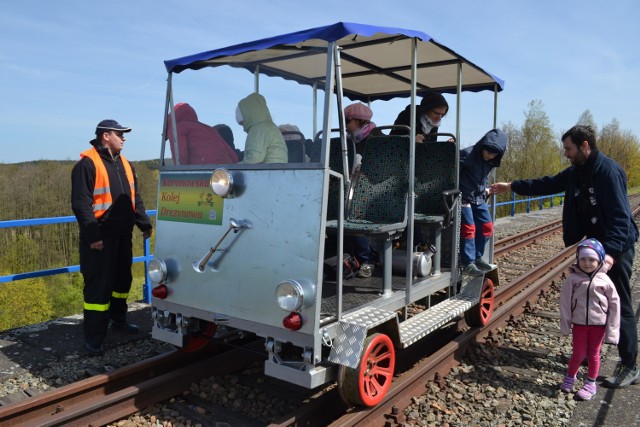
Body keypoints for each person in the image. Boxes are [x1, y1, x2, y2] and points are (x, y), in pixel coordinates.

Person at [491, 124, 639, 388]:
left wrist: (611, 256)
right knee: (589, 302)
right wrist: (511, 186)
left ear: (584, 145)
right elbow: (547, 183)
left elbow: (620, 220)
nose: (566, 154)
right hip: (594, 250)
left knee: (619, 304)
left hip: (615, 250)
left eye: (569, 149)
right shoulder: (576, 172)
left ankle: (630, 365)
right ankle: (587, 354)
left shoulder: (608, 172)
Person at [71, 120, 153, 356]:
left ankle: (119, 319)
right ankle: (94, 339)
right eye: (120, 134)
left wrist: (144, 224)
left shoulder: (126, 164)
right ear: (105, 136)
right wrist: (93, 236)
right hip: (99, 239)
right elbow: (81, 204)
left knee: (121, 281)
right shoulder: (87, 164)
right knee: (99, 288)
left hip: (122, 236)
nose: (124, 138)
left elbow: (134, 198)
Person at [559, 238, 620, 400]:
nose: (587, 263)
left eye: (592, 259)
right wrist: (565, 325)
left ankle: (590, 383)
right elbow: (564, 303)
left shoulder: (605, 280)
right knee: (578, 353)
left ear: (599, 260)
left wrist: (612, 332)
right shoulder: (572, 280)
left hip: (598, 325)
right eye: (583, 259)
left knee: (594, 353)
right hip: (579, 324)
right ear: (577, 260)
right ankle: (570, 376)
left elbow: (614, 306)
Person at [459, 128, 507, 275]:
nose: (490, 156)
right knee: (469, 229)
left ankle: (477, 257)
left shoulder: (491, 160)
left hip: (479, 197)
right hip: (464, 196)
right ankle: (468, 263)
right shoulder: (466, 155)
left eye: (494, 154)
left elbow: (482, 177)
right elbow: (452, 174)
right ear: (482, 147)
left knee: (487, 226)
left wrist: (486, 189)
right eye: (488, 152)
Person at [344, 102, 383, 278]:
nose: (345, 126)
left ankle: (366, 259)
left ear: (360, 121)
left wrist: (363, 171)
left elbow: (382, 170)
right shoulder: (350, 141)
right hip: (354, 188)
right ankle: (355, 257)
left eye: (347, 121)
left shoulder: (378, 139)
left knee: (352, 215)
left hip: (376, 190)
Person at [166, 103, 239, 165]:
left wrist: (181, 174)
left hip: (202, 172)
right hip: (224, 173)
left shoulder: (176, 129)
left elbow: (180, 157)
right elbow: (234, 157)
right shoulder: (210, 129)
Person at [236, 93, 288, 163]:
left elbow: (254, 158)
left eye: (243, 123)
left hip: (267, 172)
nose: (244, 127)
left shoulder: (258, 130)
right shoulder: (269, 126)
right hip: (277, 170)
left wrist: (236, 168)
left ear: (248, 117)